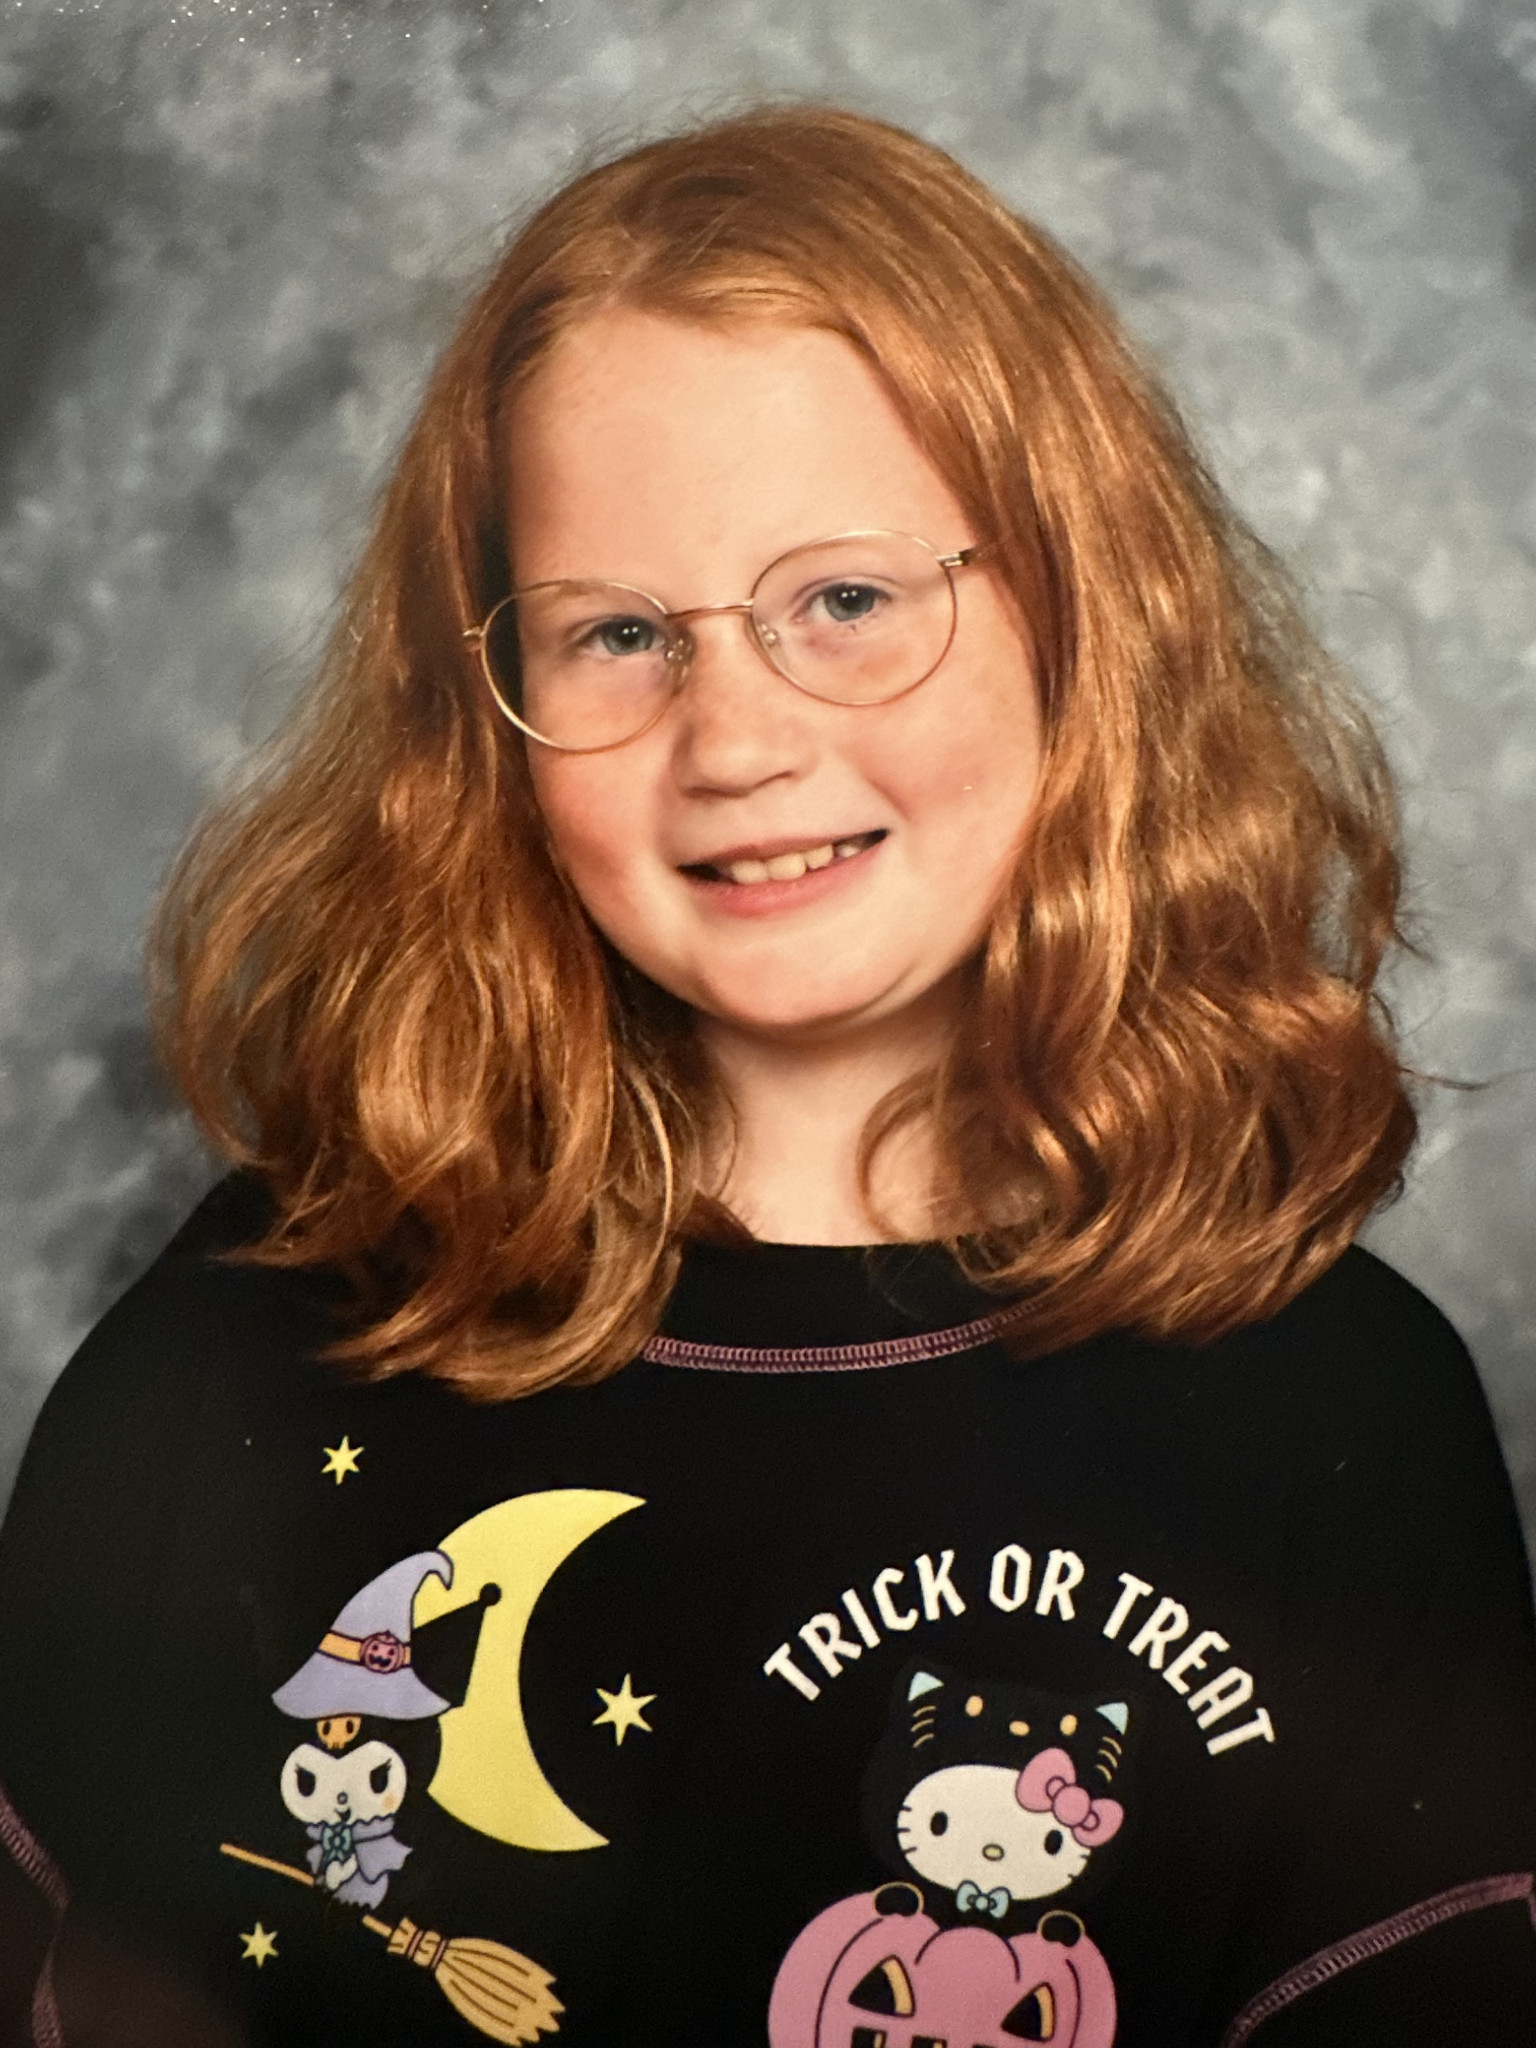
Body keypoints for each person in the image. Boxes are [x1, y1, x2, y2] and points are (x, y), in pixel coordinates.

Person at [0, 103, 1531, 2048]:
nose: (734, 737)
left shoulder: (1342, 1415)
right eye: (621, 632)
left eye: (848, 602)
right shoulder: (251, 1340)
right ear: (485, 715)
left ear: (1087, 619)